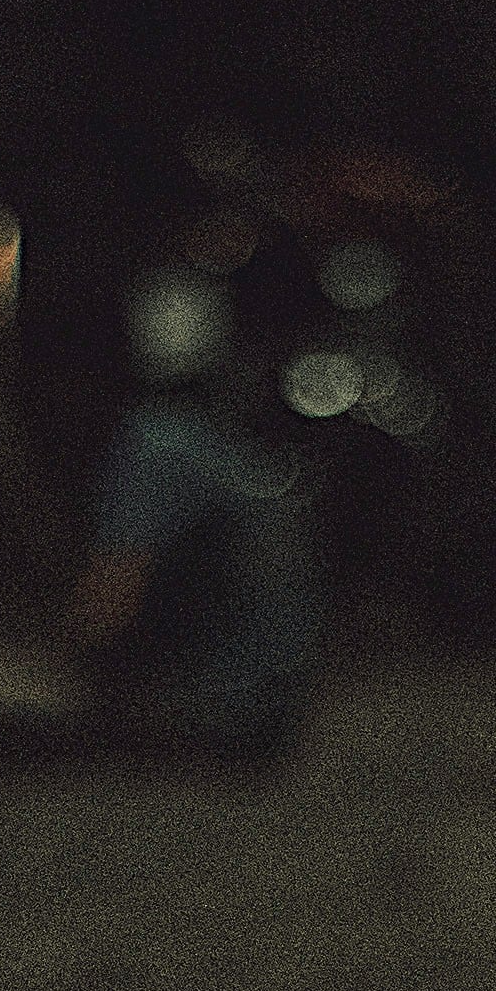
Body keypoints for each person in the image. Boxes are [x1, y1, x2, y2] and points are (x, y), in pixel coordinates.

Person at [41, 268, 324, 755]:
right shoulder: (224, 444)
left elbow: (111, 597)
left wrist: (41, 662)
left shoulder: (156, 444)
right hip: (274, 704)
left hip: (209, 707)